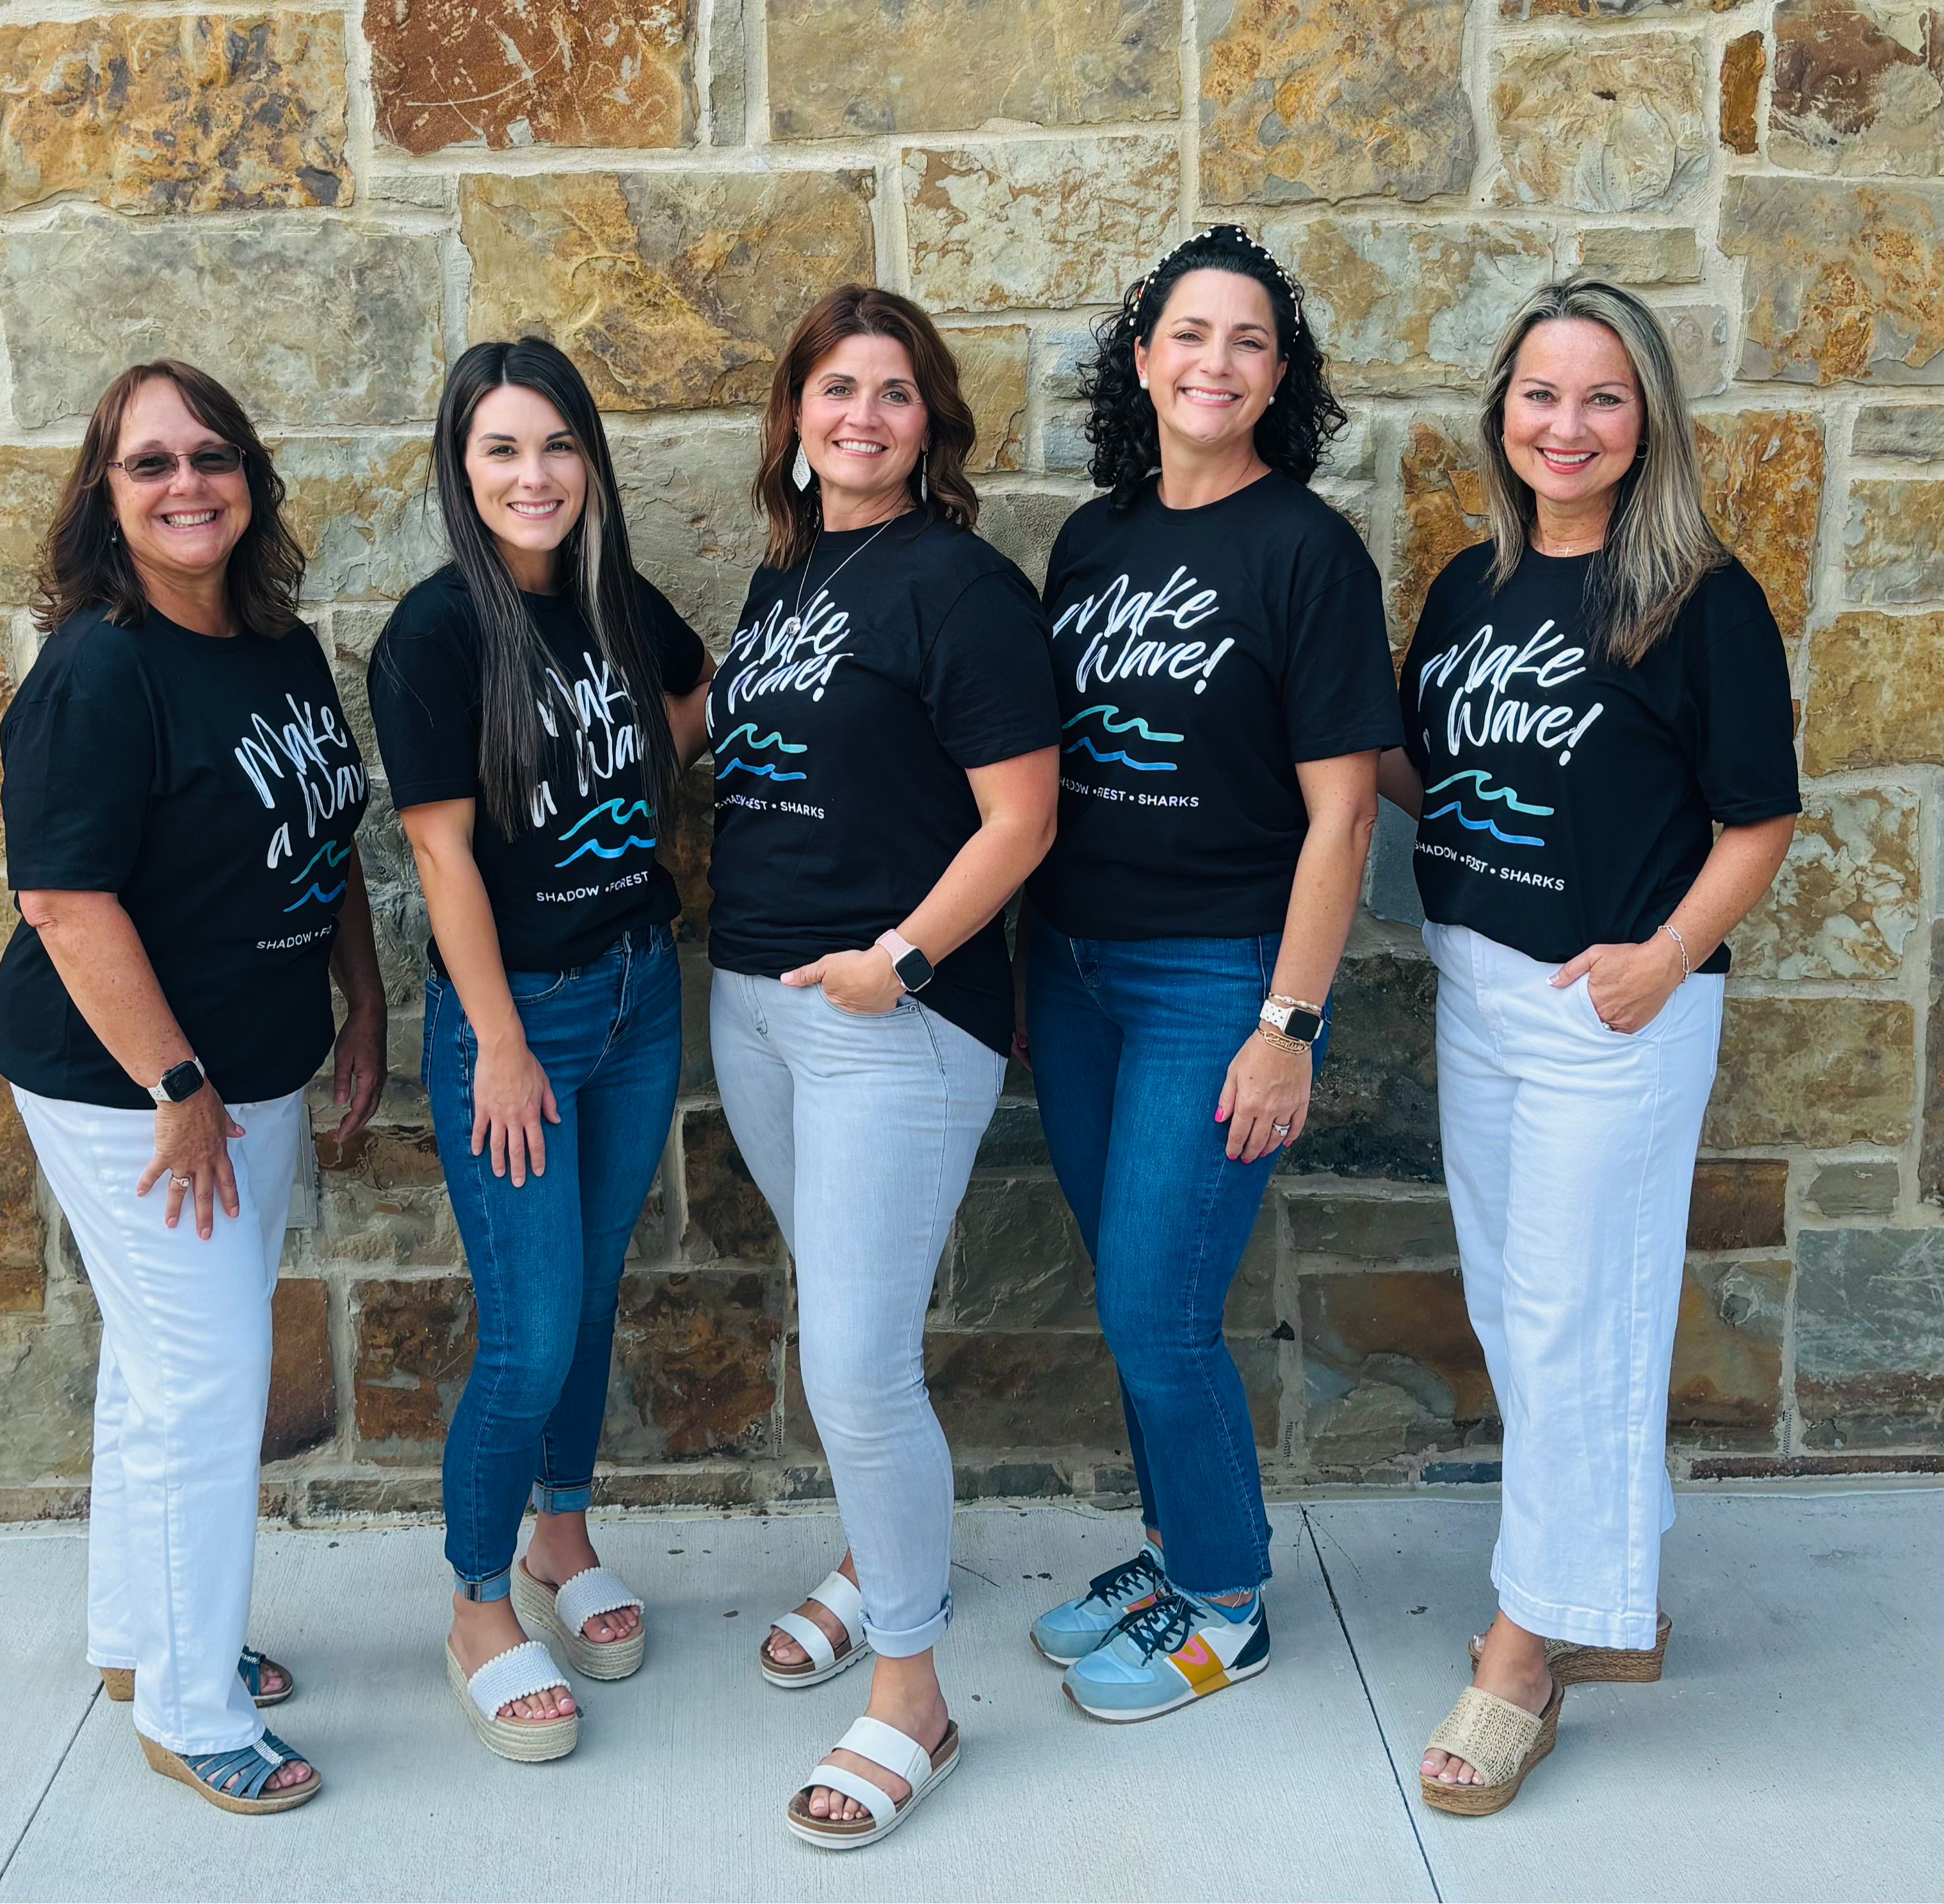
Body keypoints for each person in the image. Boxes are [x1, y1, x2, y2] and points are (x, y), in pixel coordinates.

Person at [1379, 277, 1799, 1815]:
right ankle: (1604, 1591)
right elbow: (1442, 779)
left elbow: (1755, 821)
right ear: (1503, 409)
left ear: (1646, 424)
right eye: (1541, 394)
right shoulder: (1466, 588)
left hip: (1607, 1007)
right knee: (1521, 1308)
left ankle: (1518, 1655)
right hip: (1472, 986)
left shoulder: (1697, 595)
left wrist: (1668, 955)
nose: (1566, 425)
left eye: (1601, 398)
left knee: (1571, 1320)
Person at [0, 359, 387, 1814]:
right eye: (149, 463)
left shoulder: (273, 646)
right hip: (133, 1090)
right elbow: (64, 900)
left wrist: (362, 989)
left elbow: (322, 831)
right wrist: (176, 1082)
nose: (184, 484)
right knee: (211, 1382)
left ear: (248, 478)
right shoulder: (99, 668)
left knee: (167, 1371)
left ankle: (135, 1637)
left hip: (255, 1064)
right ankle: (190, 1700)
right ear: (106, 494)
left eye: (209, 456)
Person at [1019, 226, 1400, 1721]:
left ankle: (1226, 1600)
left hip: (1214, 980)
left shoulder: (1303, 549)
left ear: (1277, 374)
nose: (1213, 363)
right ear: (1141, 358)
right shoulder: (1091, 541)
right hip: (1073, 970)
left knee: (1158, 1311)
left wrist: (1285, 1023)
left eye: (1246, 341)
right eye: (1188, 334)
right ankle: (1174, 1547)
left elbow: (1344, 808)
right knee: (1131, 1280)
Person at [709, 286, 1058, 1849]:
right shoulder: (782, 581)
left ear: (931, 425)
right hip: (759, 1005)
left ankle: (910, 1689)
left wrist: (900, 961)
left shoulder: (958, 587)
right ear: (792, 419)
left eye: (894, 392)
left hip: (889, 1019)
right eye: (834, 388)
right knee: (852, 1326)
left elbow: (1022, 819)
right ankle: (874, 1559)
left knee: (851, 1362)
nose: (860, 414)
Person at [366, 339, 713, 1762]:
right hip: (522, 1020)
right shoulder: (434, 635)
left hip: (637, 995)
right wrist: (498, 1044)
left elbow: (696, 701)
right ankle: (473, 1597)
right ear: (462, 467)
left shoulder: (617, 605)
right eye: (502, 449)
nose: (533, 475)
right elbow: (441, 855)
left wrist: (657, 773)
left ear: (590, 461)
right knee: (525, 1324)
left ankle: (562, 1539)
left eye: (557, 446)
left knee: (592, 1289)